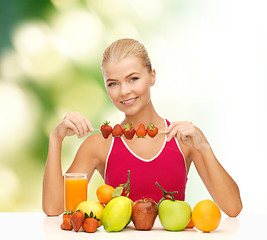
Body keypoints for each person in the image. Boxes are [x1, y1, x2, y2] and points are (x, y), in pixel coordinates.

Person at [42, 38, 242, 217]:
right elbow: (53, 209)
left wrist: (203, 148)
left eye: (133, 79)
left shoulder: (185, 138)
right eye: (113, 84)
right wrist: (55, 139)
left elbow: (233, 208)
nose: (124, 91)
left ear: (152, 76)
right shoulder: (100, 144)